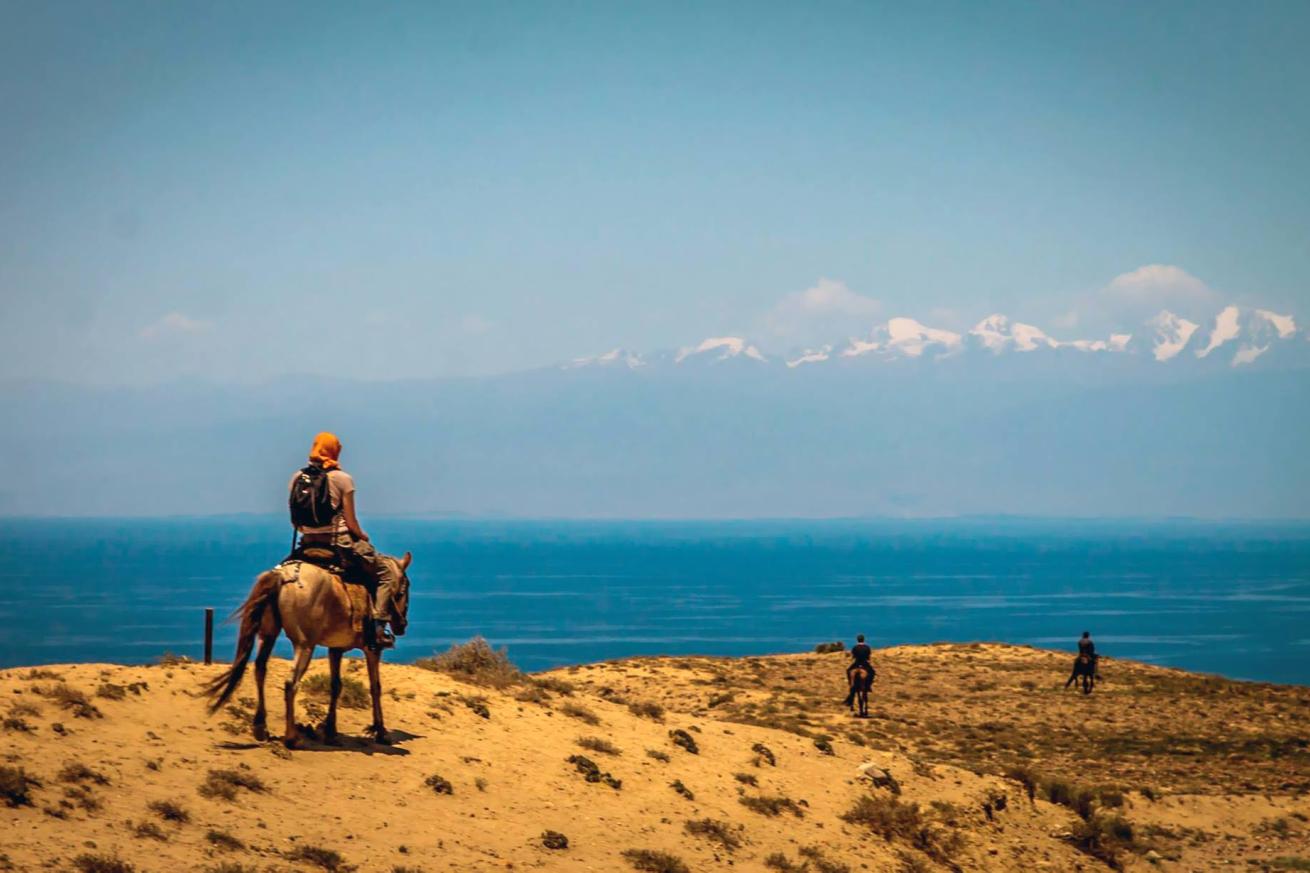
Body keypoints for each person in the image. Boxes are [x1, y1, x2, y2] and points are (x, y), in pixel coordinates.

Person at [289, 432, 400, 650]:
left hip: (307, 543)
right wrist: (362, 535)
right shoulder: (342, 479)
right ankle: (379, 629)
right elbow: (350, 521)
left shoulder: (297, 478)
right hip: (337, 545)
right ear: (334, 451)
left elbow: (295, 521)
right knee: (386, 574)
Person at [842, 634, 874, 706]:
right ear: (863, 639)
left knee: (848, 671)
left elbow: (853, 656)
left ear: (857, 640)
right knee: (872, 672)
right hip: (865, 664)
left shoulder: (855, 647)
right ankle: (868, 685)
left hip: (857, 663)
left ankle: (851, 683)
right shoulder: (867, 647)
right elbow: (868, 657)